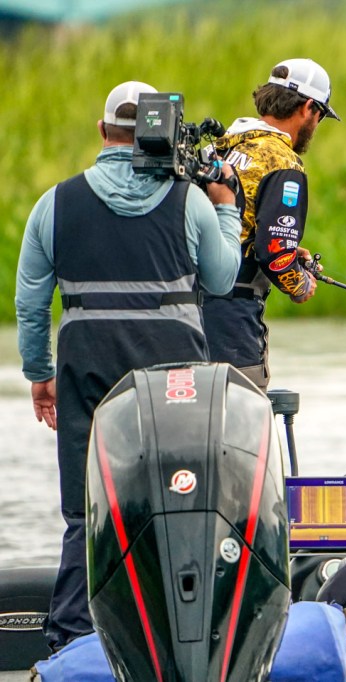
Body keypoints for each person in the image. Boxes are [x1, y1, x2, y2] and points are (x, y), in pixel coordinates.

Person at [14, 80, 242, 652]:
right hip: (176, 373)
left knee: (85, 507)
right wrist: (226, 209)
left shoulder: (55, 203)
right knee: (182, 499)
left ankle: (71, 637)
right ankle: (184, 633)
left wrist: (39, 374)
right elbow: (220, 281)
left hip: (87, 366)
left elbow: (30, 304)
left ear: (102, 131)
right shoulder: (189, 200)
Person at [203, 57, 339, 391]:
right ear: (308, 108)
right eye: (320, 115)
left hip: (181, 310)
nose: (317, 124)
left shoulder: (222, 146)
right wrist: (300, 284)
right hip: (230, 318)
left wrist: (290, 251)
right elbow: (274, 253)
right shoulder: (283, 162)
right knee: (238, 407)